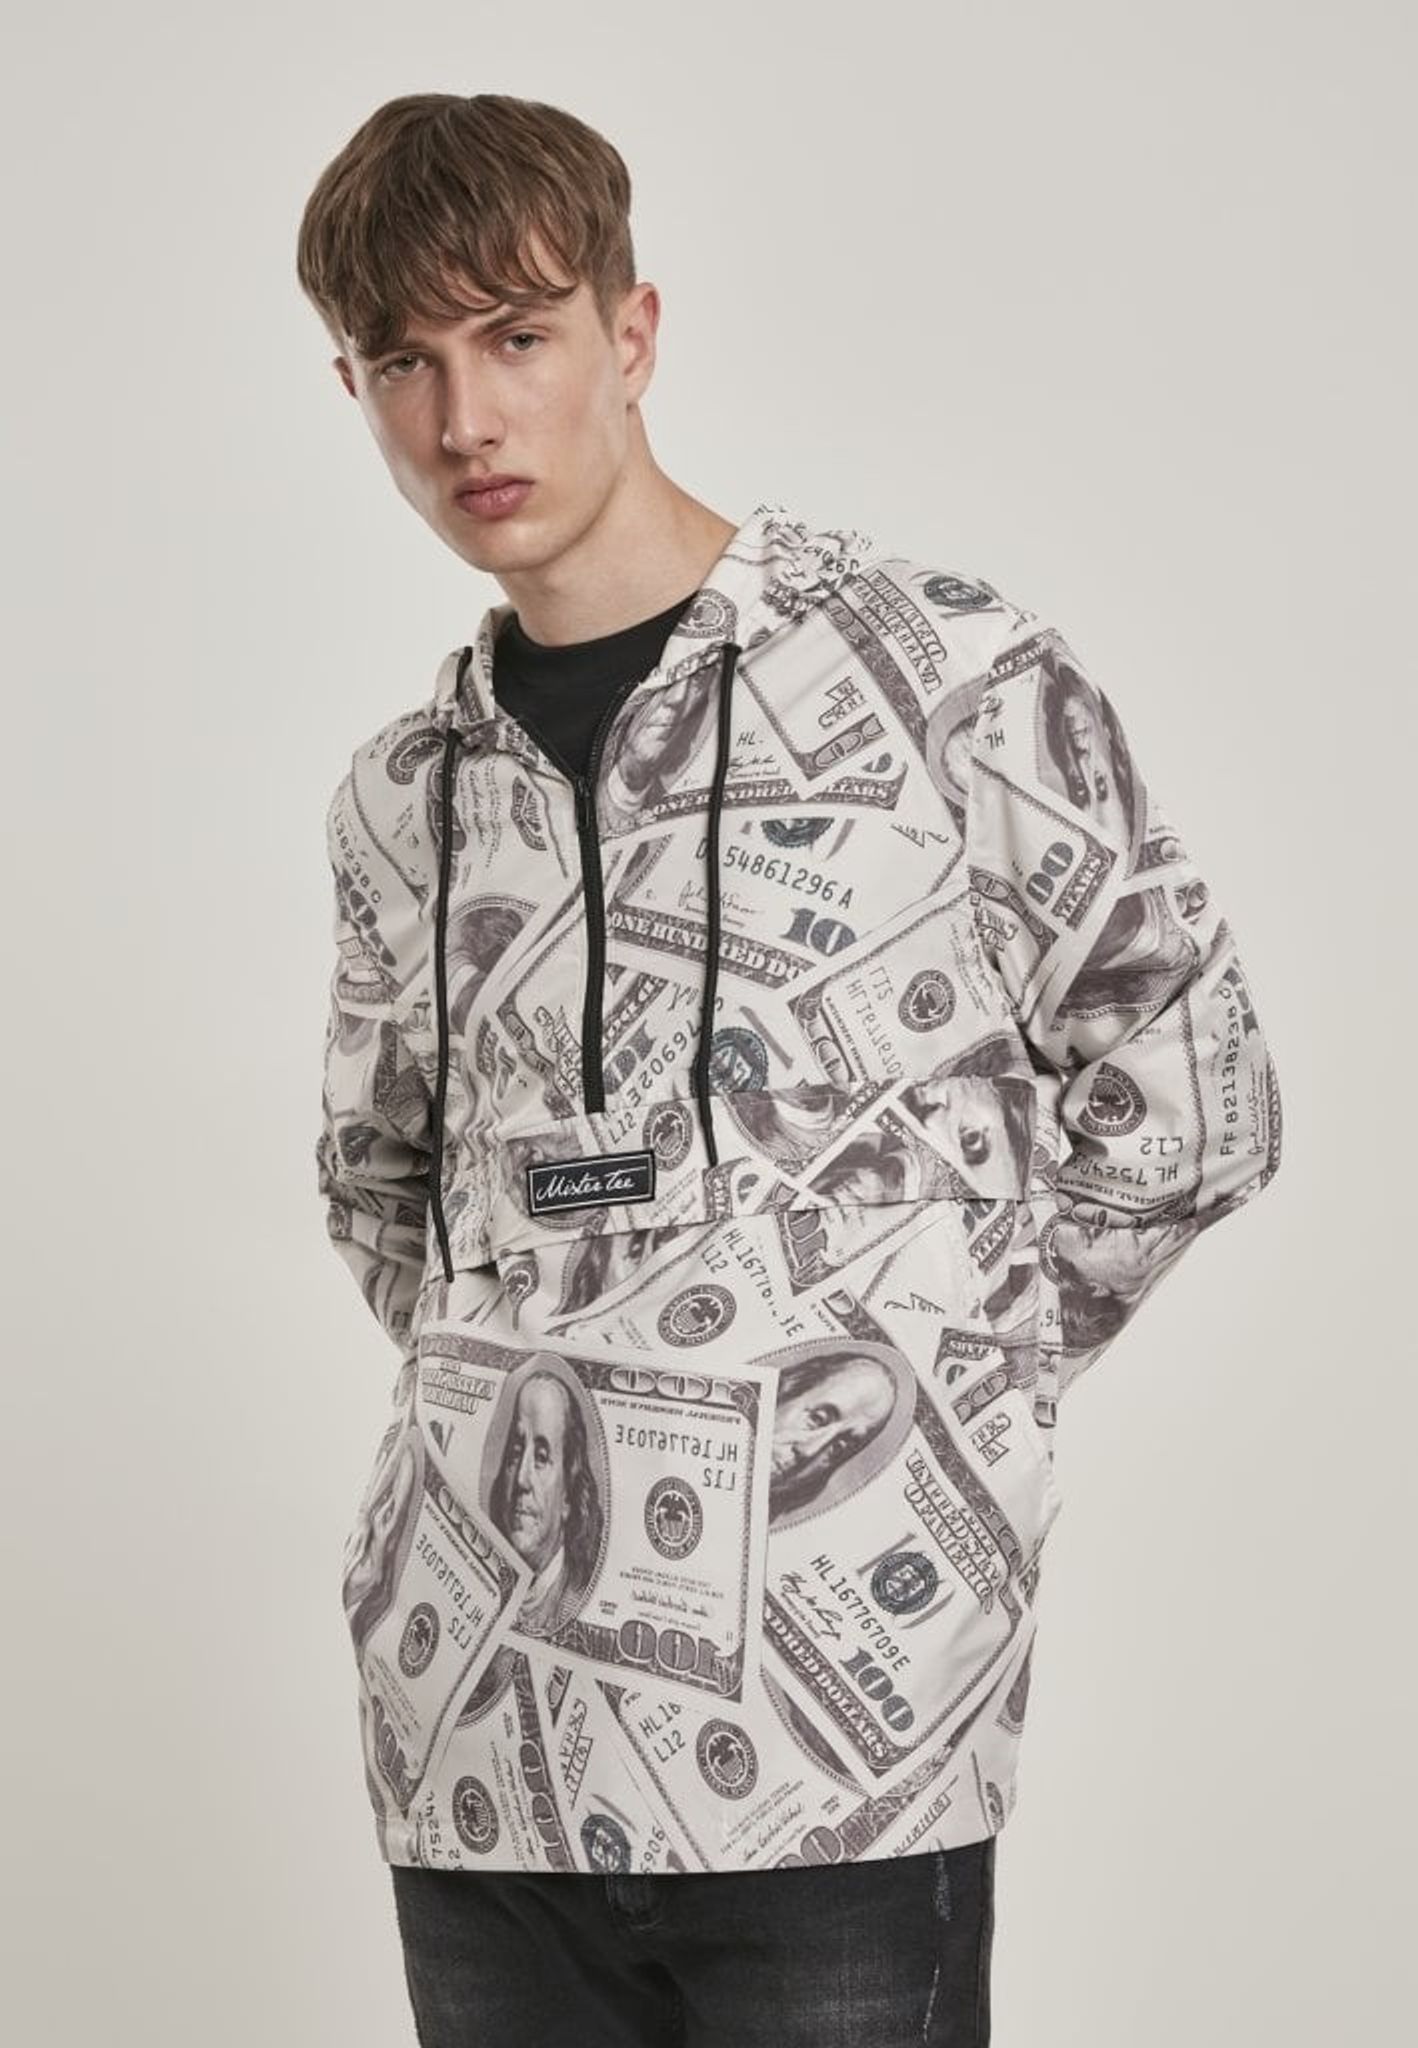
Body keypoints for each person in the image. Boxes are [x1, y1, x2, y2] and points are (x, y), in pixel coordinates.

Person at [299, 91, 1283, 2048]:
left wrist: (931, 1380)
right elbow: (380, 1185)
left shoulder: (941, 672)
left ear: (631, 333)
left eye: (516, 337)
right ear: (355, 390)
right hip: (477, 1747)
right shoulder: (403, 795)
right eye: (402, 364)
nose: (465, 418)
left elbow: (1192, 1090)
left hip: (845, 1770)